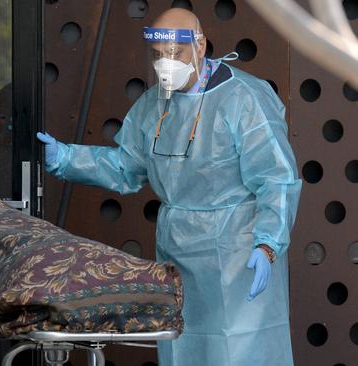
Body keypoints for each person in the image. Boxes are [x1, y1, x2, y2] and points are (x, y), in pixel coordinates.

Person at [37, 8, 301, 366]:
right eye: (158, 56)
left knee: (239, 351)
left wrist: (268, 244)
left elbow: (277, 177)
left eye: (175, 54)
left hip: (239, 252)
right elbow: (125, 167)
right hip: (178, 249)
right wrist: (65, 159)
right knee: (182, 344)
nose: (166, 64)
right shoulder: (155, 103)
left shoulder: (244, 99)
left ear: (200, 45)